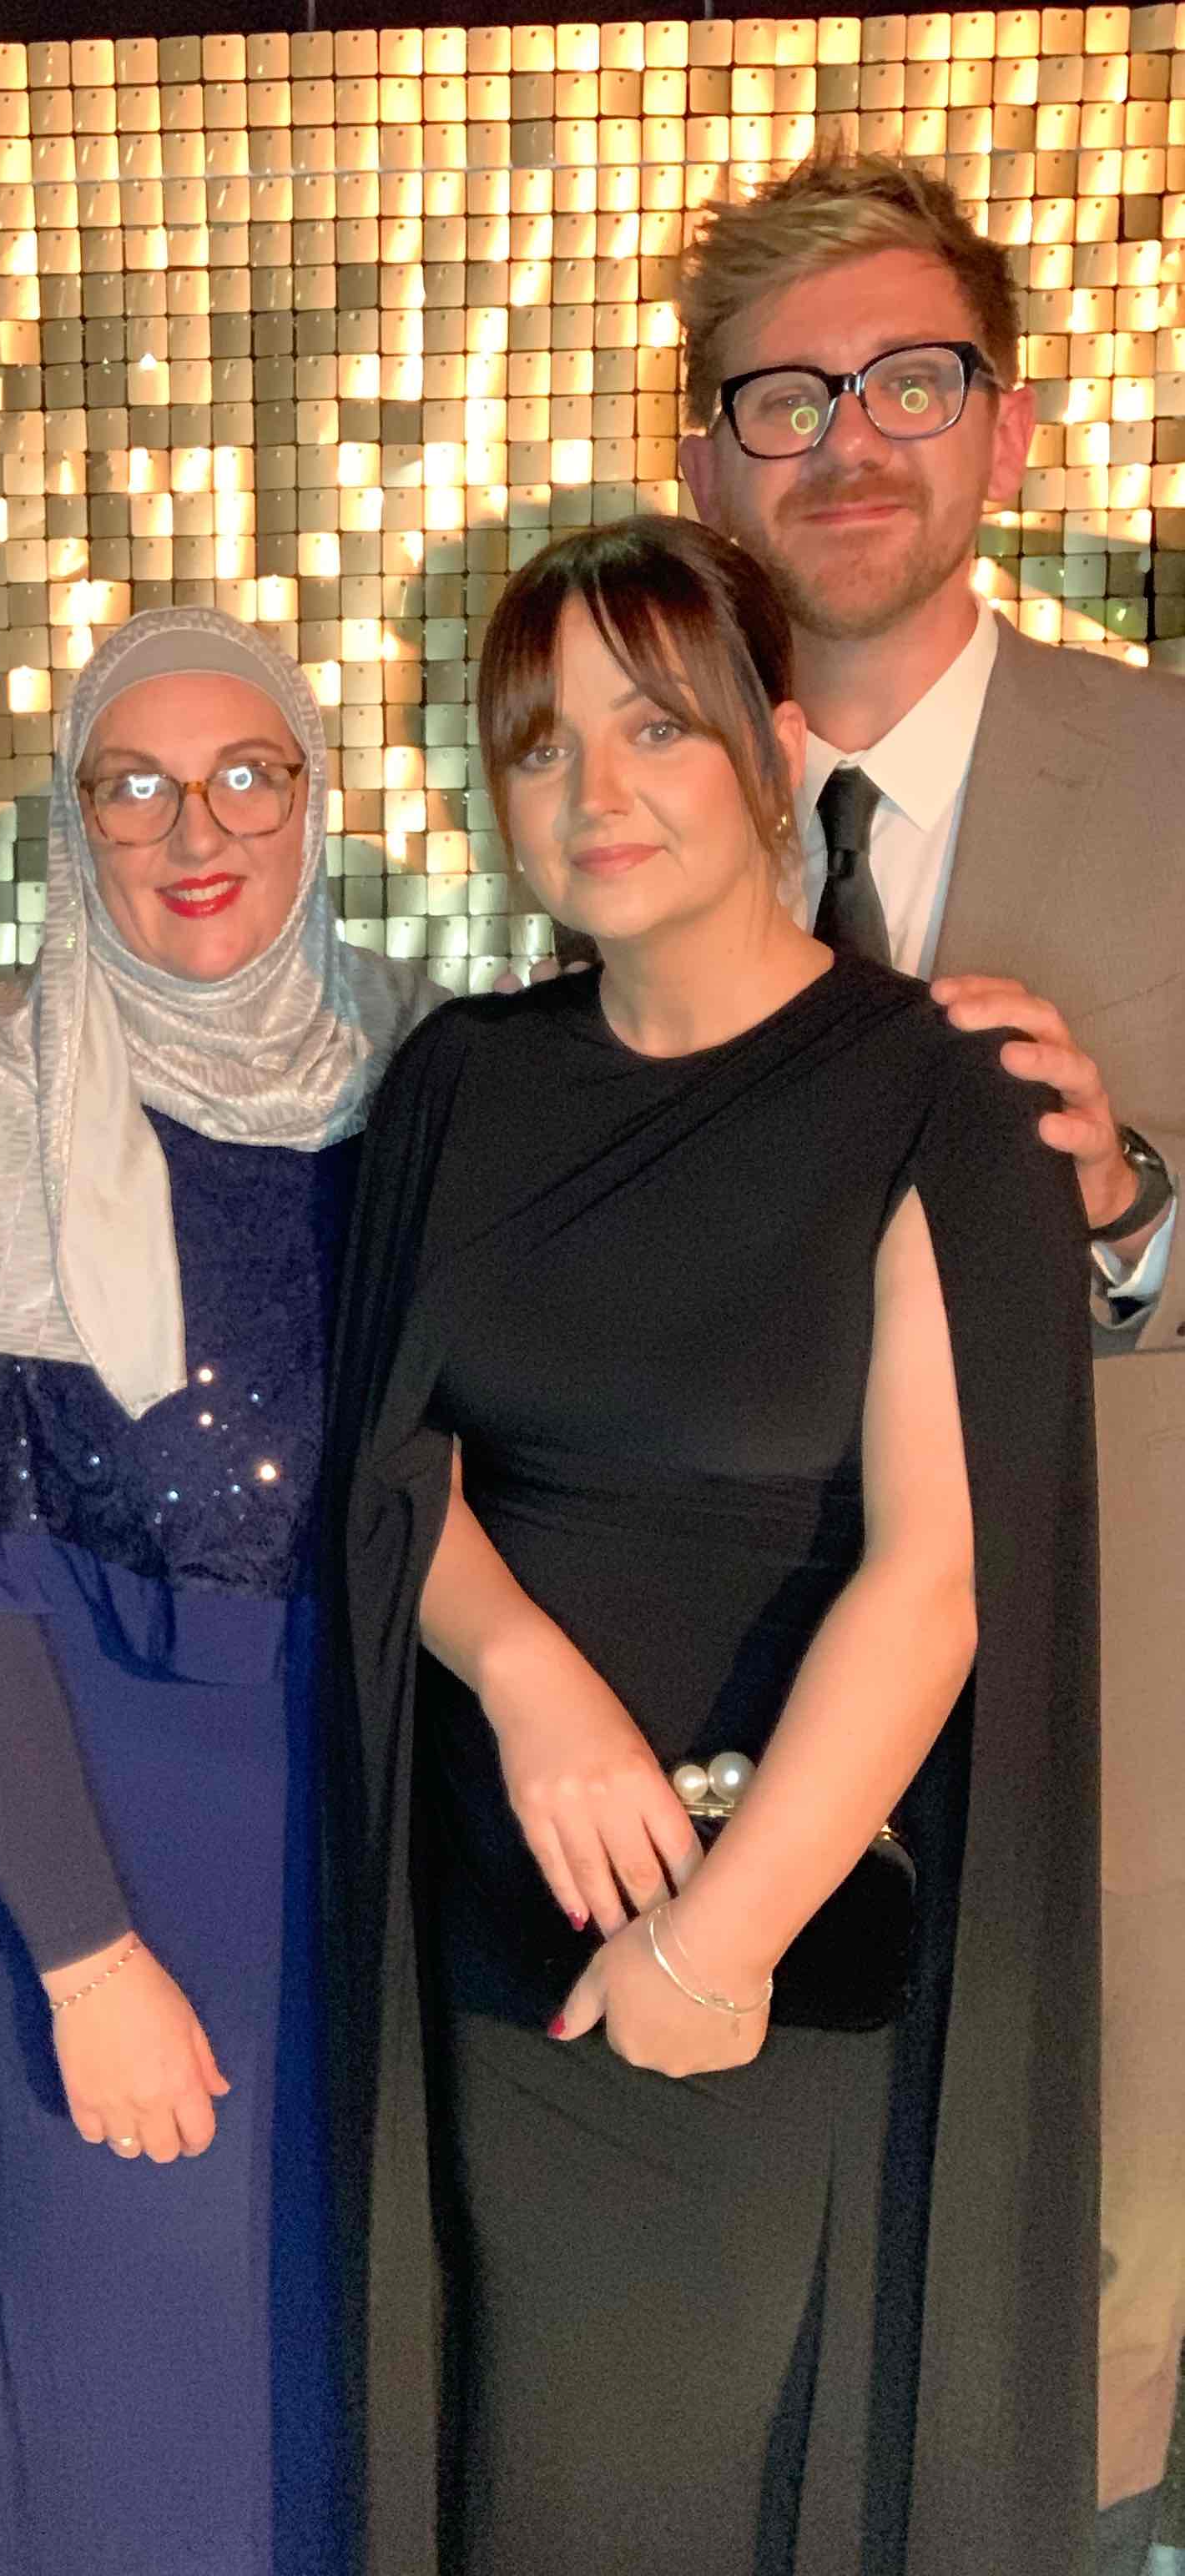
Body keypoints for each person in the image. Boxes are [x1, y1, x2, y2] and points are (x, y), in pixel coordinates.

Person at [327, 516, 1098, 2576]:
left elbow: (937, 1578)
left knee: (689, 2491)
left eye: (654, 724)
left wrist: (714, 1939)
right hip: (496, 1930)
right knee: (518, 2481)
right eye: (540, 743)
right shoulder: (460, 1083)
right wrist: (528, 1678)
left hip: (775, 1936)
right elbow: (395, 1471)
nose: (593, 788)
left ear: (774, 745)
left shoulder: (936, 1095)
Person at [674, 148, 1184, 2576]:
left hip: (1120, 1733)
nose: (845, 440)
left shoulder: (1169, 768)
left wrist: (1135, 1209)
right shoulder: (638, 799)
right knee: (760, 2349)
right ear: (705, 460)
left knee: (1071, 2358)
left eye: (907, 380)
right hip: (737, 1721)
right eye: (782, 398)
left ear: (1007, 425)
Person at [0, 606, 434, 2576]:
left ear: (314, 798)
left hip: (375, 1861)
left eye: (248, 774)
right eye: (137, 786)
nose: (199, 829)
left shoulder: (429, 1084)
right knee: (134, 2418)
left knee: (356, 2402)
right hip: (112, 1869)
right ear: (78, 824)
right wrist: (89, 1956)